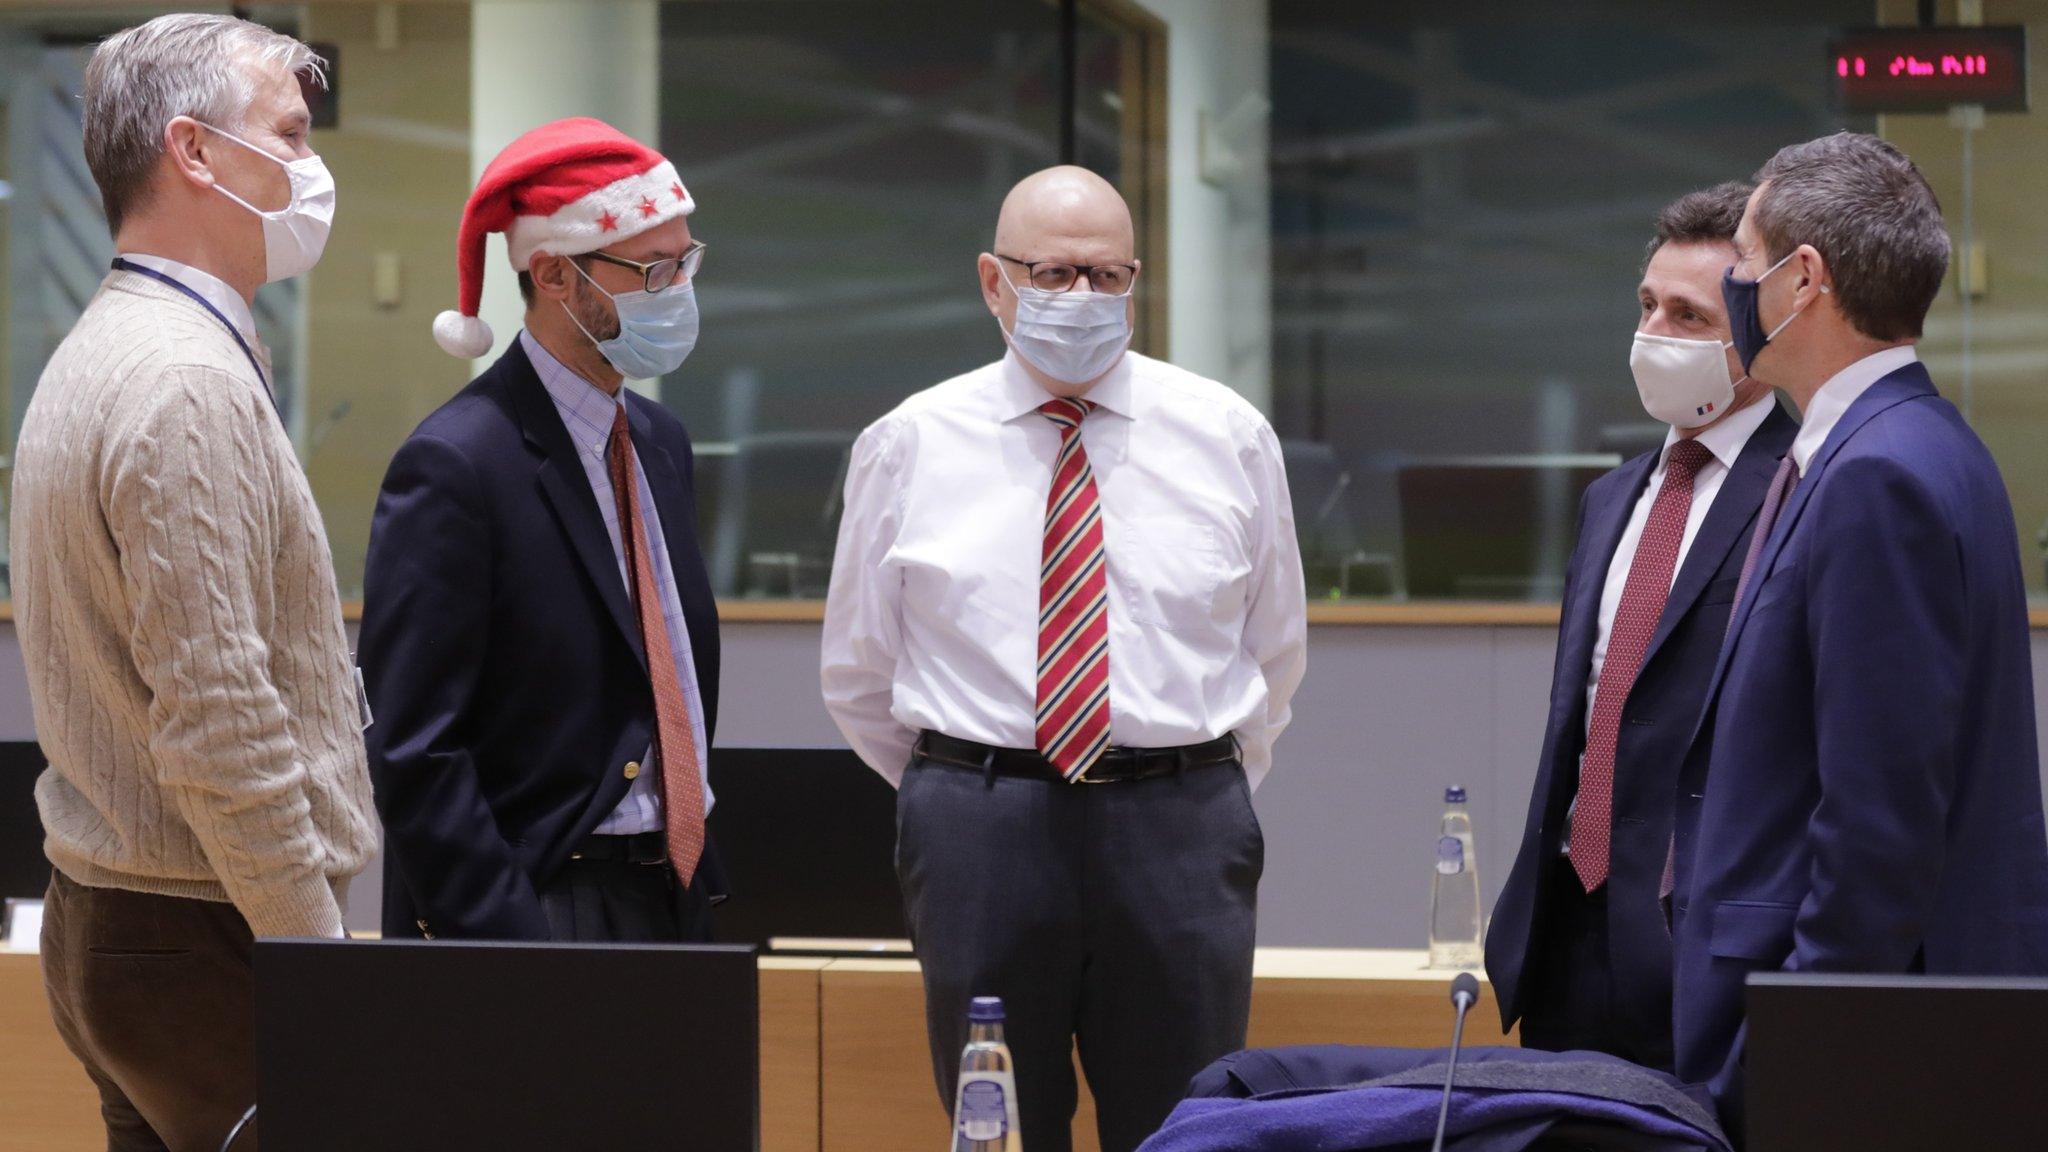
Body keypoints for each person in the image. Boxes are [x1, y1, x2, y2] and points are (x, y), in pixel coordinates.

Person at [821, 166, 1308, 1152]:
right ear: (993, 283)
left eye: (1105, 276)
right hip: (982, 835)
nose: (1079, 300)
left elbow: (1271, 654)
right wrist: (972, 786)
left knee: (1185, 1130)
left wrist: (1182, 781)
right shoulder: (910, 442)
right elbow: (860, 673)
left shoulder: (1226, 435)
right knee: (996, 1127)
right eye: (1050, 273)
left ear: (1135, 282)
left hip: (1178, 827)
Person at [10, 14, 376, 1150]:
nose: (314, 169)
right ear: (196, 152)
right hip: (201, 926)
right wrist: (313, 952)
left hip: (125, 918)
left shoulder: (112, 345)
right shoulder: (181, 379)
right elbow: (218, 713)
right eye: (292, 134)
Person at [1672, 132, 2048, 1129]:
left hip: (1849, 1051)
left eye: (1743, 260)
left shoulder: (1877, 473)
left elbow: (1876, 825)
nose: (1732, 284)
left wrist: (1793, 1044)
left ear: (1803, 280)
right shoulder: (1912, 444)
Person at [361, 118, 725, 943]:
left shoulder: (659, 443)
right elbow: (415, 744)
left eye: (686, 261)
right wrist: (504, 933)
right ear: (556, 274)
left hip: (672, 889)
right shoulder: (457, 461)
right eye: (653, 270)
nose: (679, 290)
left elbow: (663, 671)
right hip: (542, 898)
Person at [1486, 183, 1796, 1072]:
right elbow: (1582, 714)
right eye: (1648, 305)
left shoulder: (1805, 486)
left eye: (1691, 316)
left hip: (1696, 941)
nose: (1657, 332)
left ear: (1756, 331)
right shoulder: (1610, 499)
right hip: (1564, 931)